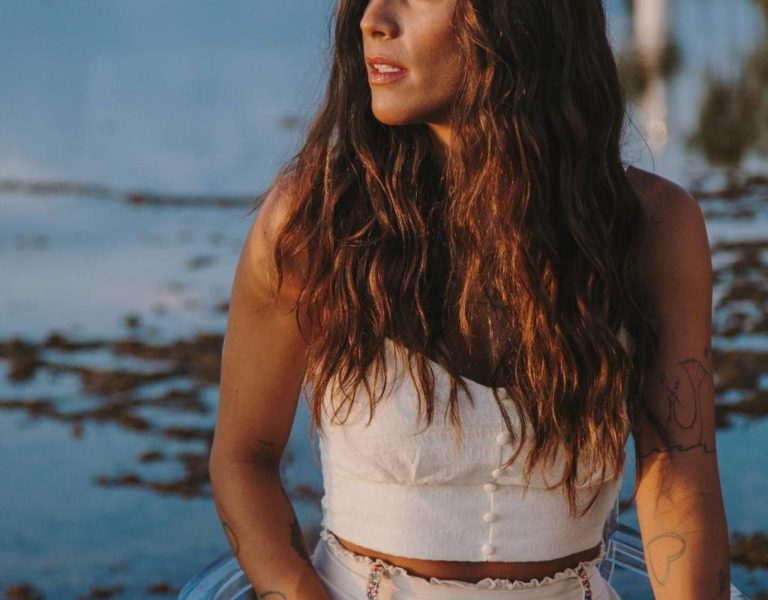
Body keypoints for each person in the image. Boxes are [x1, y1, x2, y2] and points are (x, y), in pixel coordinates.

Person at [208, 0, 731, 598]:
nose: (372, 19)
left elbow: (679, 470)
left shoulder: (650, 228)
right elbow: (243, 458)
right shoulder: (315, 221)